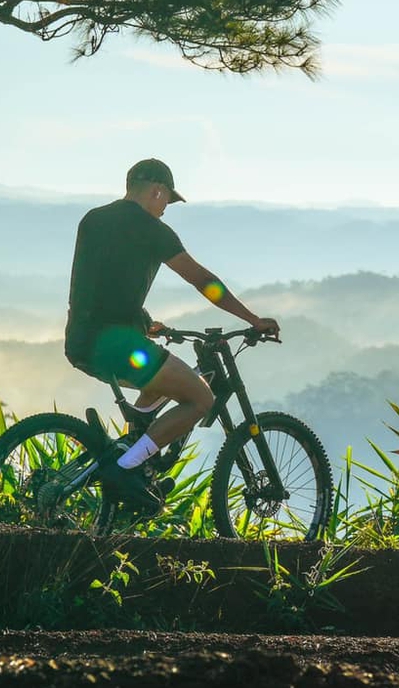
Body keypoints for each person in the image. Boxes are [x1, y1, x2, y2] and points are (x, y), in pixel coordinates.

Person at [63, 157, 280, 512]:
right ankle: (125, 468)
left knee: (155, 390)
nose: (165, 210)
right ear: (156, 191)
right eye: (166, 201)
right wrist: (252, 318)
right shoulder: (151, 229)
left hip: (81, 341)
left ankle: (138, 460)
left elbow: (104, 281)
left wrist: (144, 320)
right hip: (119, 344)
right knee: (201, 398)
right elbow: (201, 280)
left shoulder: (94, 219)